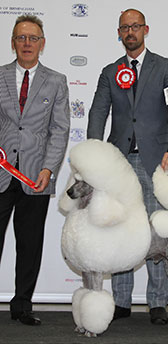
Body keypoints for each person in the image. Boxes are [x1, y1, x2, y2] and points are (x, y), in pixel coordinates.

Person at [87, 8, 168, 324]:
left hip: (156, 162)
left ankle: (158, 302)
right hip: (118, 164)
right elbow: (97, 114)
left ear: (146, 29)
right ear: (119, 33)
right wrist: (94, 155)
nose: (130, 32)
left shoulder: (166, 68)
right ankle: (121, 302)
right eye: (124, 28)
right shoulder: (109, 72)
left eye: (135, 26)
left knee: (156, 230)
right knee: (120, 230)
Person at [0, 15, 70, 326]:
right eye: (21, 38)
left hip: (35, 178)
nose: (26, 43)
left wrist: (49, 168)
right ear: (12, 42)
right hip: (0, 174)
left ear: (42, 43)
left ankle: (22, 305)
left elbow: (59, 129)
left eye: (32, 38)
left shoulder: (56, 80)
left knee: (30, 244)